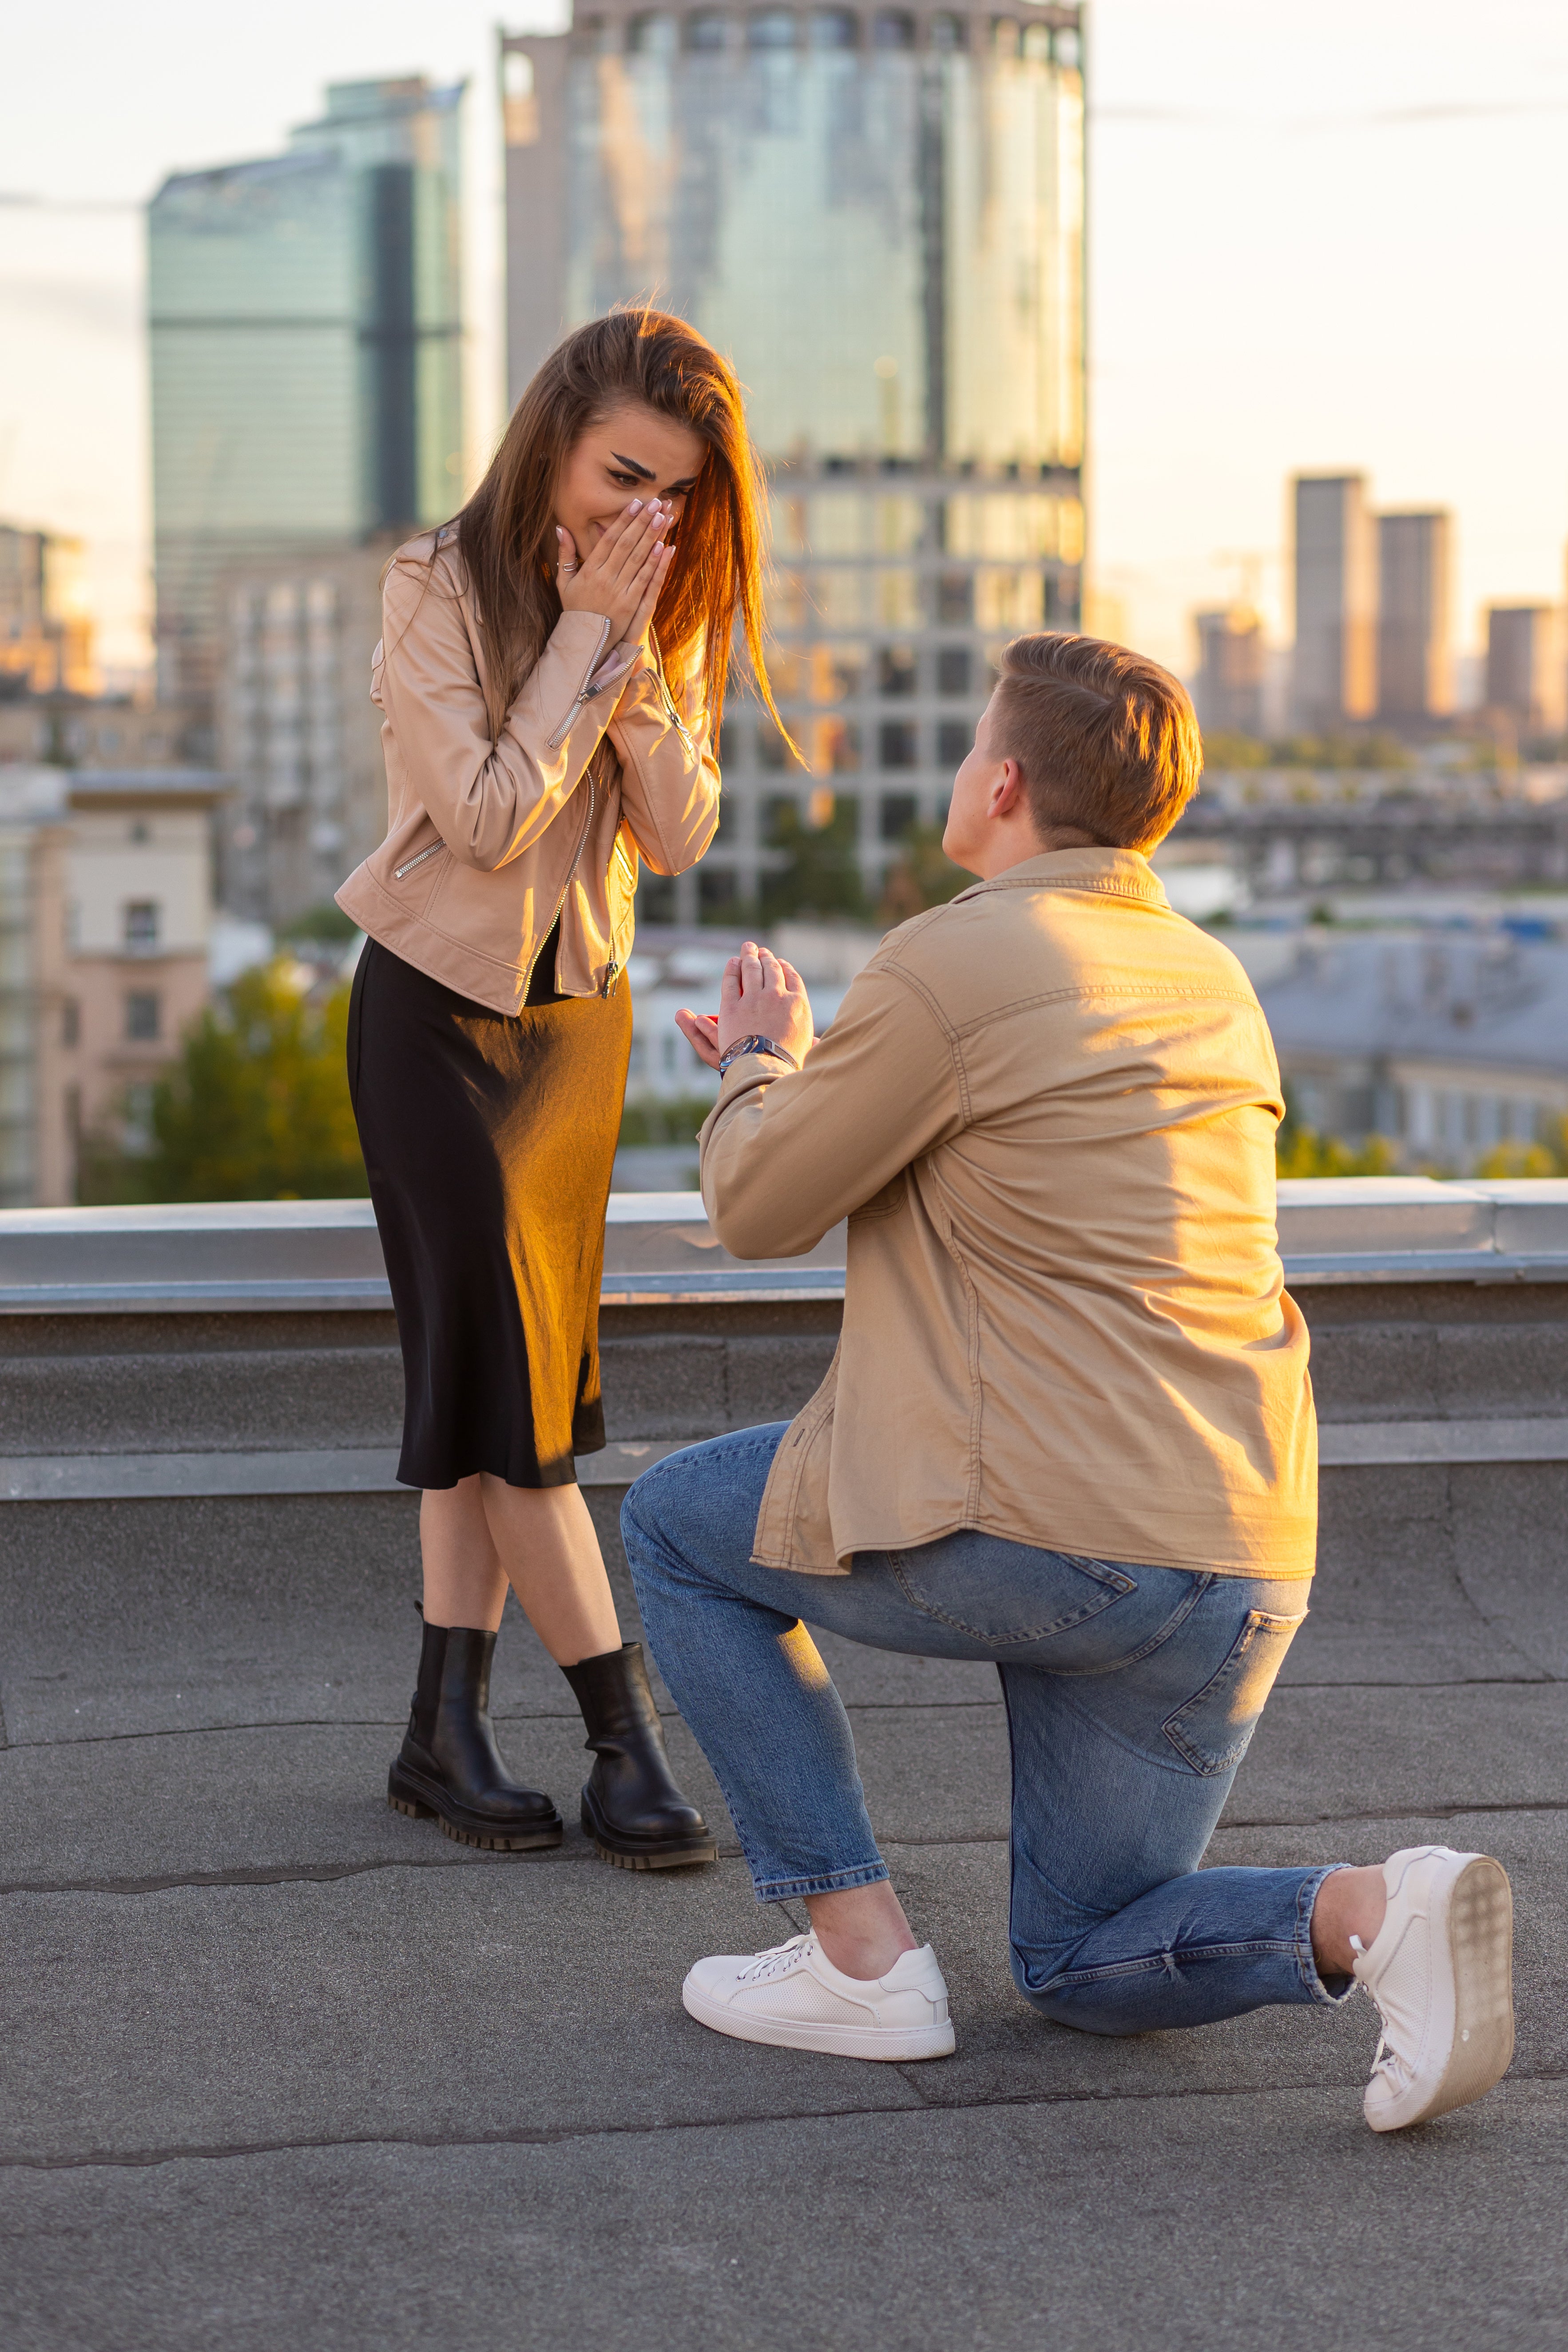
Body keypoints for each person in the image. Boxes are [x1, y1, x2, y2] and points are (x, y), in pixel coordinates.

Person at [619, 632, 1515, 2131]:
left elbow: (754, 1209)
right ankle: (1370, 1914)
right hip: (1236, 1548)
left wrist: (763, 1065)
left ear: (1006, 780)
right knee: (1081, 1957)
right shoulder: (1208, 975)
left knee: (673, 1529)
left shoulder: (950, 952)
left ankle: (855, 1959)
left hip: (1051, 1529)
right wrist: (837, 1080)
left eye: (975, 740)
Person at [338, 308, 788, 1872]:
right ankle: (626, 1749)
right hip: (435, 1023)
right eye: (620, 476)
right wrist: (586, 643)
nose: (638, 518)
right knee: (523, 1421)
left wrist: (638, 650)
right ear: (553, 436)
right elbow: (475, 819)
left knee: (486, 1396)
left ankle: (439, 1735)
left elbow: (674, 836)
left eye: (671, 497)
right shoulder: (433, 584)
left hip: (572, 1033)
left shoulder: (645, 611)